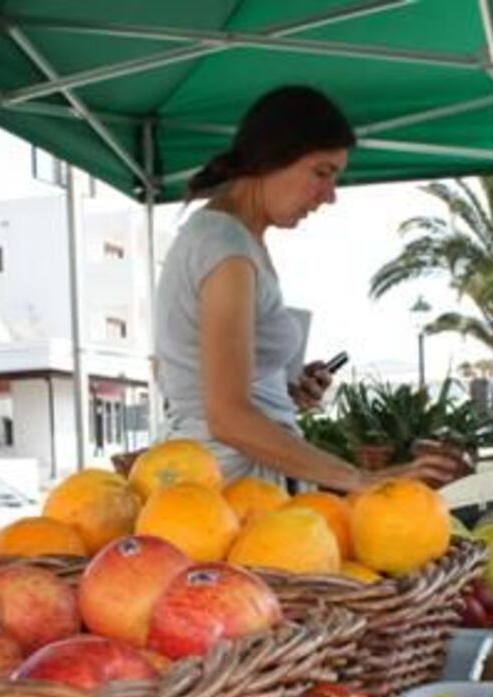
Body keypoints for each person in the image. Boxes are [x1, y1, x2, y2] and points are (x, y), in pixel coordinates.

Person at [154, 85, 459, 493]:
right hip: (229, 491)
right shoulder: (225, 250)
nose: (329, 196)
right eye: (321, 172)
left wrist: (284, 392)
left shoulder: (233, 241)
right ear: (270, 157)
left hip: (231, 485)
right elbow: (227, 417)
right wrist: (360, 479)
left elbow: (220, 386)